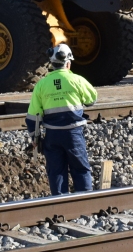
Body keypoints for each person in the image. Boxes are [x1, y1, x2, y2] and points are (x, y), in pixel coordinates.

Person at [25, 44, 98, 195]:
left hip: (52, 135)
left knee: (56, 171)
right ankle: (84, 202)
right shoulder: (77, 80)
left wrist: (34, 138)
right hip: (73, 134)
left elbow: (32, 117)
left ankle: (59, 206)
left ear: (51, 64)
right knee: (80, 168)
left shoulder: (41, 85)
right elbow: (92, 99)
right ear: (68, 63)